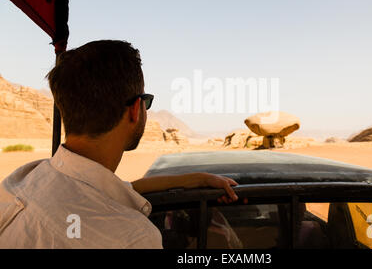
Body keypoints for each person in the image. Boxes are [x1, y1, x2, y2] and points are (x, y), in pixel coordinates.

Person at [0, 40, 239, 248]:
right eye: (146, 100)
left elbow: (126, 189)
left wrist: (199, 179)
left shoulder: (23, 178)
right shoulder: (132, 238)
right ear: (135, 109)